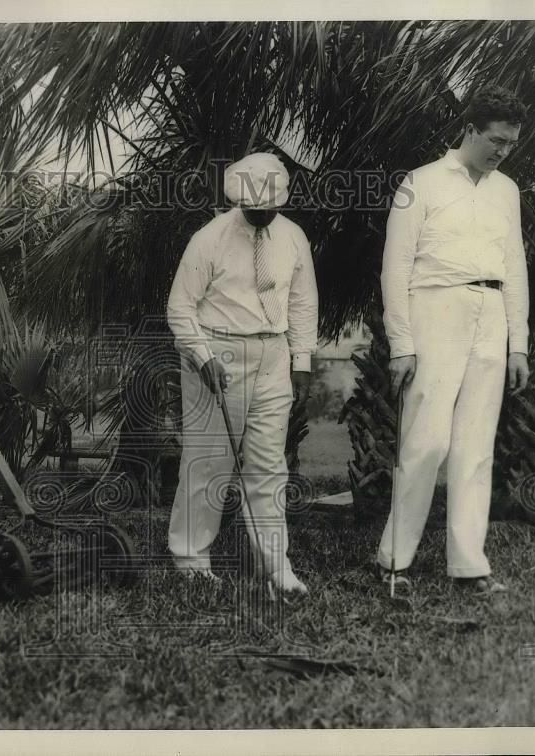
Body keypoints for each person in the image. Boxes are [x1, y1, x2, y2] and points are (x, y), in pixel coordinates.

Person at [378, 85, 531, 594]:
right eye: (494, 140)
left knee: (475, 446)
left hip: (491, 315)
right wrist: (401, 343)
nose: (501, 152)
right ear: (469, 130)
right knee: (425, 440)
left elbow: (514, 268)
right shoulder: (418, 183)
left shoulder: (506, 190)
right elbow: (395, 269)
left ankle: (468, 564)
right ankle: (395, 560)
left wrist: (518, 345)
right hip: (434, 310)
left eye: (509, 144)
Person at [166, 152, 319, 594]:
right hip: (217, 352)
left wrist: (301, 362)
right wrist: (202, 356)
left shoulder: (293, 237)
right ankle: (191, 560)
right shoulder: (209, 238)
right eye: (254, 208)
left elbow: (303, 303)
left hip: (273, 354)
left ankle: (276, 568)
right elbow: (180, 309)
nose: (262, 214)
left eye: (270, 206)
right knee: (208, 462)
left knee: (269, 466)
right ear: (239, 200)